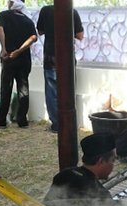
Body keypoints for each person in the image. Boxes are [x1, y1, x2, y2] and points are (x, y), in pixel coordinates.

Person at [36, 4, 84, 133]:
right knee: (68, 91)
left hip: (50, 57)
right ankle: (68, 124)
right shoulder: (72, 11)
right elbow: (80, 35)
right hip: (67, 59)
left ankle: (57, 125)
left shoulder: (45, 11)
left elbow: (39, 31)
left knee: (52, 93)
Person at [0, 0, 37, 128]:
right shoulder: (28, 20)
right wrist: (19, 51)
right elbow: (33, 38)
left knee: (6, 89)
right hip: (23, 60)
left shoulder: (4, 15)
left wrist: (3, 48)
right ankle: (22, 121)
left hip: (8, 58)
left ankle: (1, 121)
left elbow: (0, 29)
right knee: (23, 89)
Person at [44, 132, 116, 200]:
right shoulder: (100, 195)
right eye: (112, 160)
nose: (113, 165)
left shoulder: (64, 174)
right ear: (101, 161)